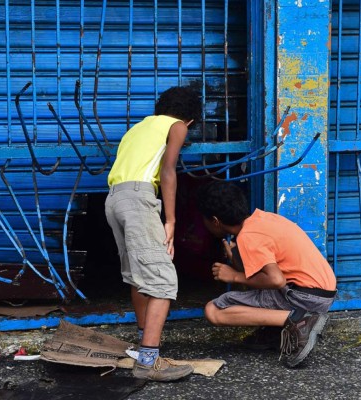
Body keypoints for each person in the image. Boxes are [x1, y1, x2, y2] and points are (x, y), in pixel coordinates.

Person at [105, 86, 201, 381]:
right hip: (137, 198)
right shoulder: (177, 126)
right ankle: (148, 362)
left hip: (113, 199)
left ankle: (144, 345)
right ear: (190, 121)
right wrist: (170, 221)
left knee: (138, 276)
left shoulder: (137, 128)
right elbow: (169, 170)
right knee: (162, 279)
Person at [196, 180, 337, 368]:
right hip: (322, 291)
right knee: (255, 293)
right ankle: (276, 332)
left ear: (215, 221)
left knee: (213, 310)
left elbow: (276, 280)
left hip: (304, 296)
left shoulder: (248, 236)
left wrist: (233, 276)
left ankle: (299, 321)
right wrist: (235, 258)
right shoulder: (262, 219)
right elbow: (258, 276)